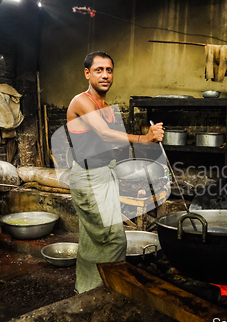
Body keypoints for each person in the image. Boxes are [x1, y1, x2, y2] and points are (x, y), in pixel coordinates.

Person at [66, 51, 163, 293]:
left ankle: (86, 290)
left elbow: (113, 145)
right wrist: (144, 137)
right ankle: (107, 291)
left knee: (92, 238)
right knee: (114, 239)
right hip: (89, 178)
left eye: (109, 70)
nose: (105, 75)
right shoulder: (82, 101)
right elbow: (105, 134)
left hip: (103, 175)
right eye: (98, 70)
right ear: (87, 73)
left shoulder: (107, 107)